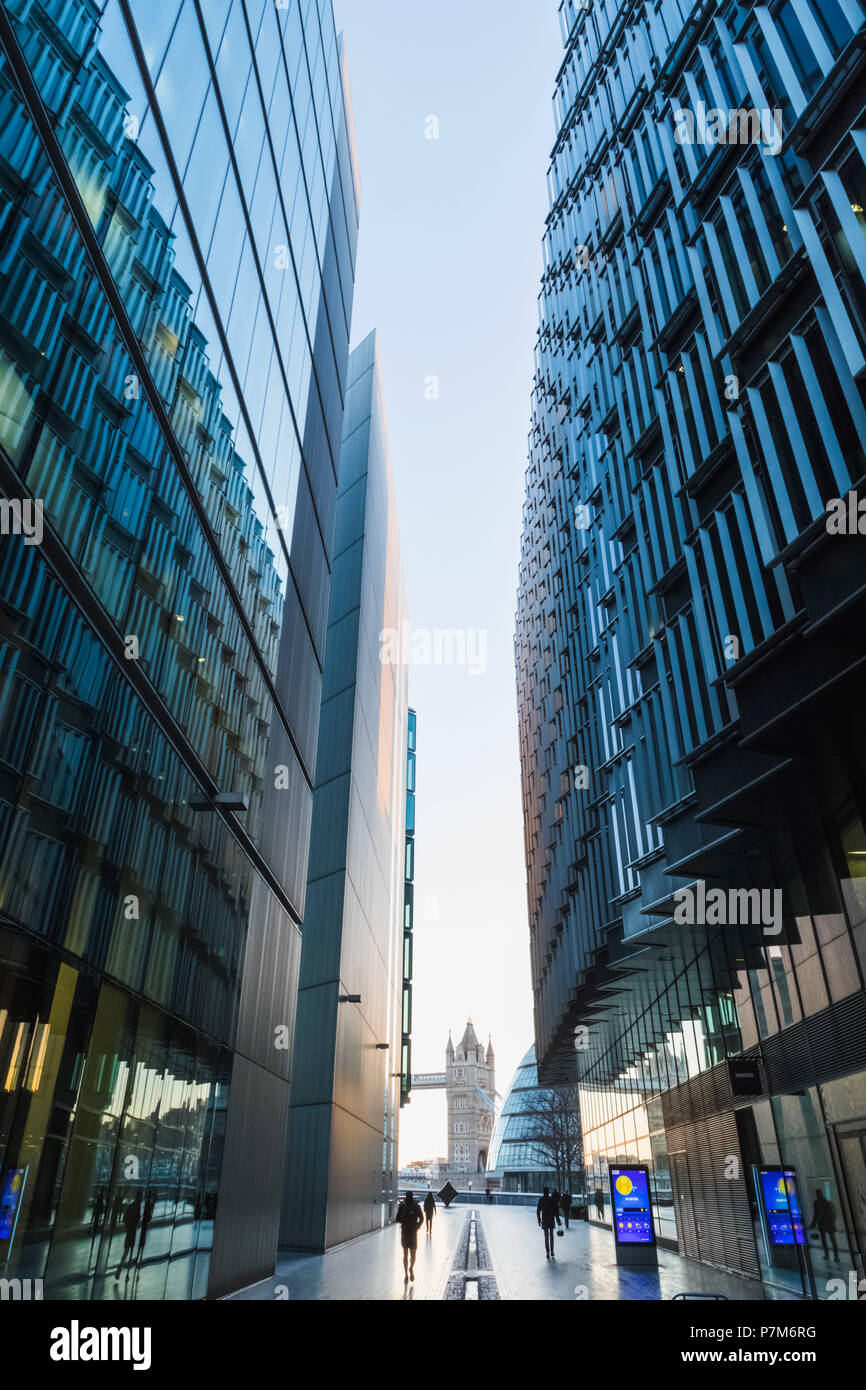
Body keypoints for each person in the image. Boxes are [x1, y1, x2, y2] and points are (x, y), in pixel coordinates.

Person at [396, 1191, 424, 1282]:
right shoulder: (416, 1206)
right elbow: (421, 1218)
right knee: (413, 1254)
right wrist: (417, 1226)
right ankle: (410, 1269)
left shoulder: (402, 1206)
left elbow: (397, 1218)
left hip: (405, 1232)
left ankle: (406, 1275)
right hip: (412, 1233)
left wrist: (404, 1222)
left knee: (405, 1255)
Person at [114, 1193, 141, 1281]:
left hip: (130, 1233)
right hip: (131, 1233)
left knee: (126, 1253)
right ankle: (124, 1273)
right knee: (128, 1253)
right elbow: (132, 1219)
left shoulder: (133, 1206)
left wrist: (128, 1228)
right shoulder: (136, 1207)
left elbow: (125, 1218)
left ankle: (120, 1271)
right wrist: (130, 1228)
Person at [809, 1189, 839, 1261]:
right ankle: (836, 1256)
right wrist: (833, 1223)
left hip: (823, 1223)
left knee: (825, 1239)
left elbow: (816, 1214)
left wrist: (813, 1224)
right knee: (832, 1239)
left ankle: (827, 1255)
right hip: (828, 1223)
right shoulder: (827, 1202)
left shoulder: (817, 1203)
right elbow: (833, 1213)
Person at [537, 1186, 562, 1259]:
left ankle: (547, 1253)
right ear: (548, 1192)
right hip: (551, 1219)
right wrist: (558, 1219)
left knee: (546, 1237)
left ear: (543, 1192)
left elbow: (538, 1211)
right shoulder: (551, 1200)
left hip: (544, 1219)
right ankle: (552, 1251)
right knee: (551, 1236)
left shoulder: (541, 1200)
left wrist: (539, 1220)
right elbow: (555, 1211)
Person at [137, 1191, 156, 1261]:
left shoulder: (145, 1204)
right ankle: (141, 1252)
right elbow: (150, 1213)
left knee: (142, 1237)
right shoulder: (149, 1204)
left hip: (143, 1222)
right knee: (143, 1237)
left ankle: (139, 1252)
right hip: (145, 1222)